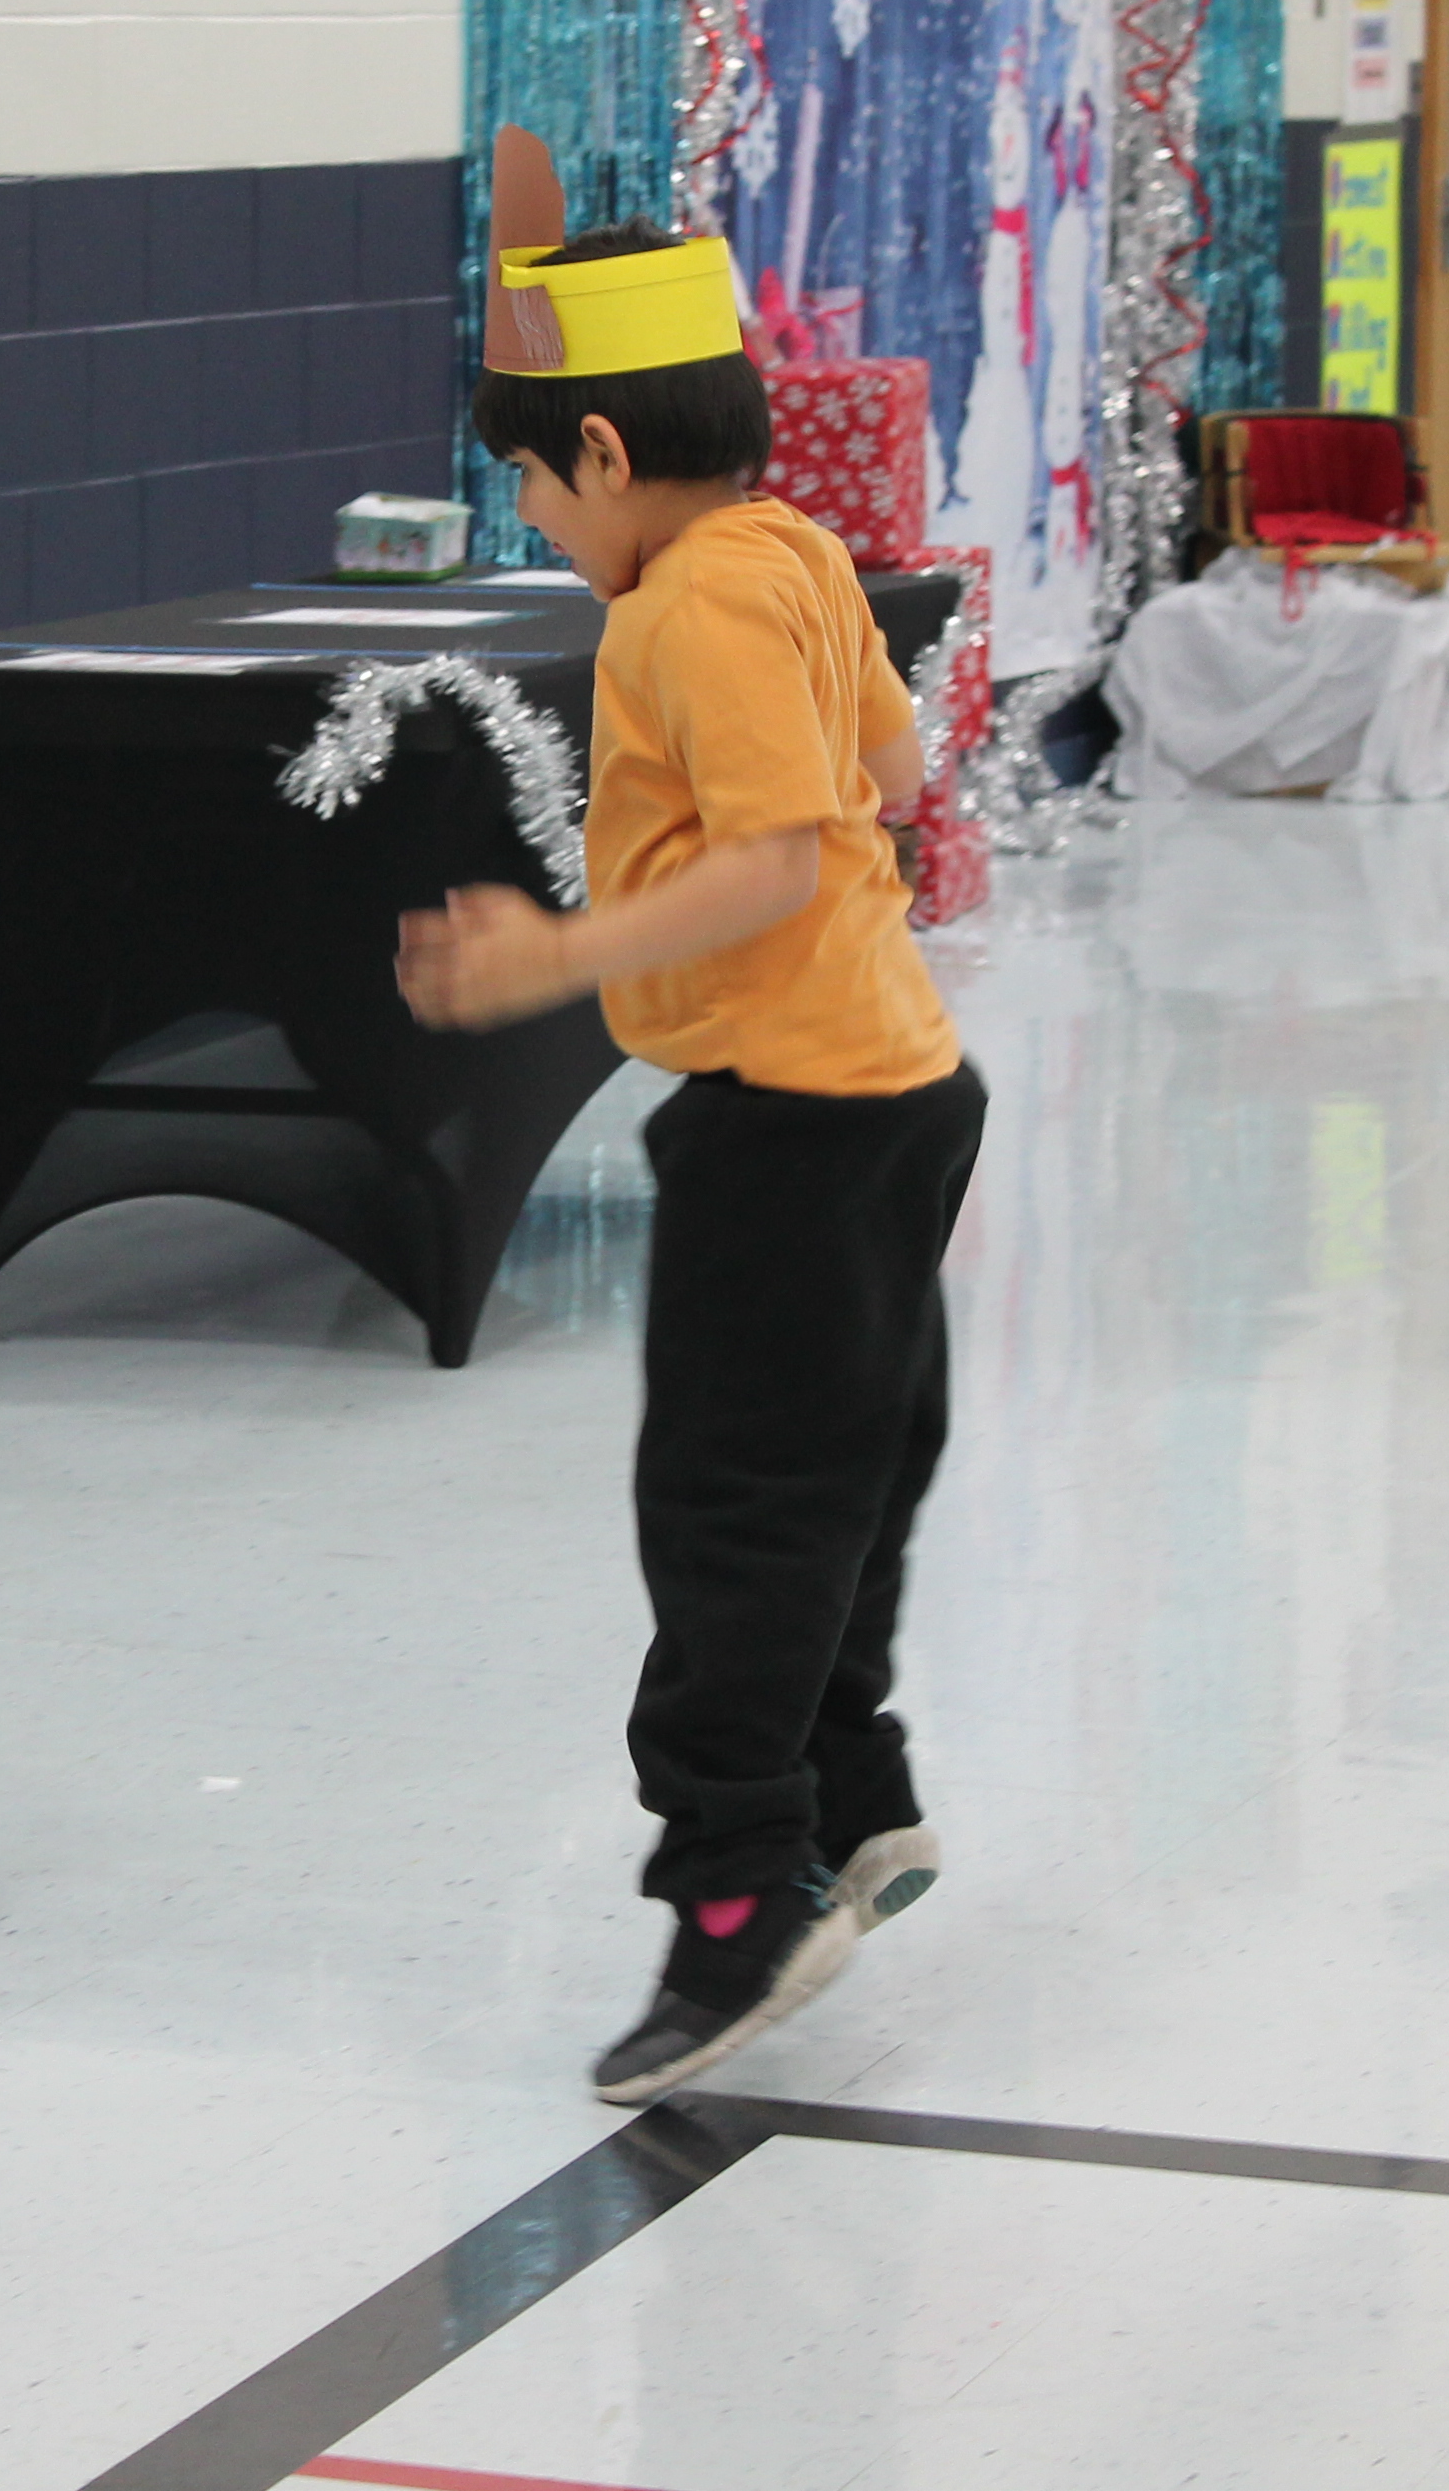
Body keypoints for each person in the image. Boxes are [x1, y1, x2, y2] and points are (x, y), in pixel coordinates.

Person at [396, 131, 984, 2107]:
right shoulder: (802, 550)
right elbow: (898, 764)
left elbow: (786, 856)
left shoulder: (677, 614)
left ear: (610, 458)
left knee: (730, 1506)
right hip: (902, 1088)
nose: (544, 523)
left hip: (796, 1119)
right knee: (845, 1469)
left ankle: (738, 1895)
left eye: (536, 484)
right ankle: (858, 1788)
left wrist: (552, 958)